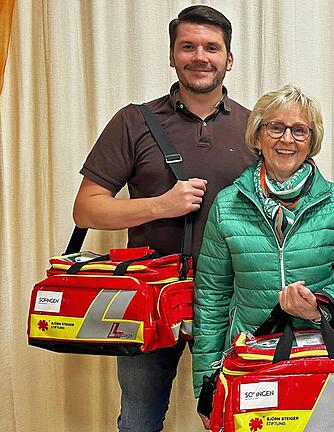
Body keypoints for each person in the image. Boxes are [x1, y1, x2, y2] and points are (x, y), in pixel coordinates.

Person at [72, 5, 255, 431]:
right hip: (150, 296)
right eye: (187, 46)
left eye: (212, 48)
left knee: (238, 416)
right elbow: (86, 207)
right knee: (139, 420)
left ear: (229, 60)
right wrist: (161, 205)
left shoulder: (255, 127)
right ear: (172, 56)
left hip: (230, 299)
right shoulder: (134, 121)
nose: (199, 56)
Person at [192, 84, 334, 429]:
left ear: (311, 141)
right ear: (258, 136)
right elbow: (211, 298)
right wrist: (207, 382)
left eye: (299, 130)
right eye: (275, 127)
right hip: (252, 358)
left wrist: (320, 304)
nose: (287, 139)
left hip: (318, 356)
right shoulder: (228, 204)